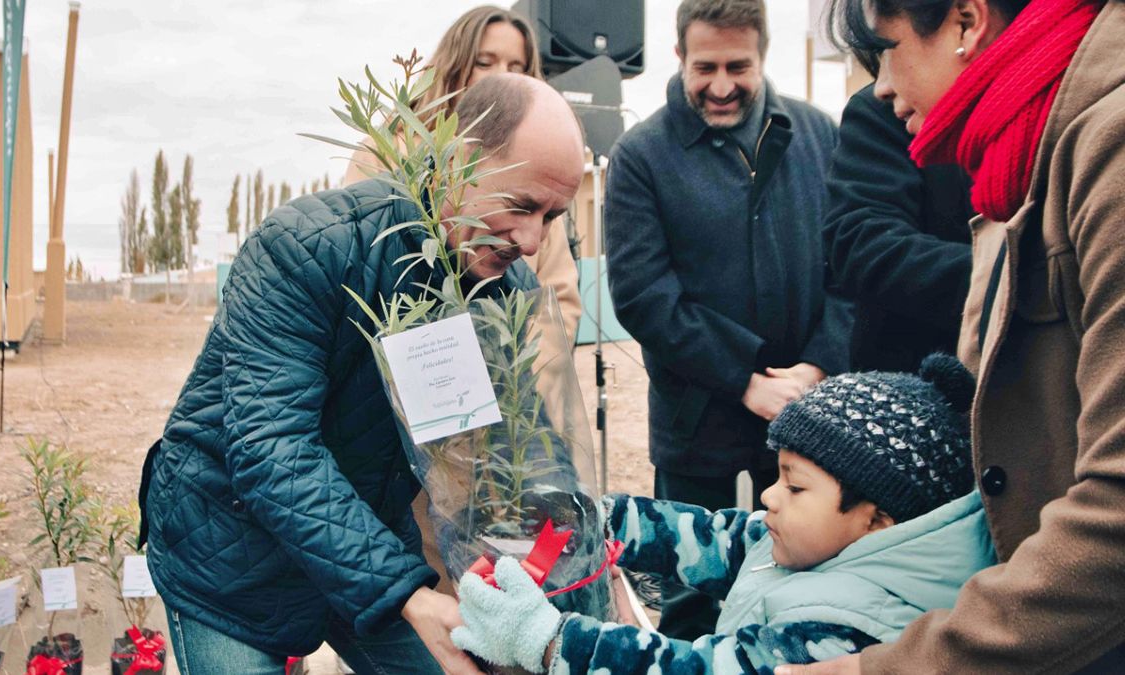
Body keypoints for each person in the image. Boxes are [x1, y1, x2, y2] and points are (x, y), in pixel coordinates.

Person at [138, 73, 586, 675]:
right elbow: (271, 448)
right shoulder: (304, 247)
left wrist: (565, 532)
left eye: (553, 217)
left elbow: (514, 441)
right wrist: (409, 596)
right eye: (521, 206)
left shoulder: (496, 287)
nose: (533, 241)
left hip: (367, 542)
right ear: (458, 161)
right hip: (228, 556)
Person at [781, 0, 1125, 673]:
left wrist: (882, 667)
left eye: (888, 46)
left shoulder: (1108, 149)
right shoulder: (1026, 156)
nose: (879, 84)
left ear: (966, 23)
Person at [449, 355, 996, 673]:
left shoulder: (851, 630)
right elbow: (713, 538)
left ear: (877, 518)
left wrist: (550, 641)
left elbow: (701, 671)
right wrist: (602, 517)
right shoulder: (813, 538)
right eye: (776, 475)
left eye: (795, 485)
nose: (768, 498)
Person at [603, 0, 851, 641]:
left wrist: (817, 366)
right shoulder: (640, 156)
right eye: (704, 66)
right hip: (696, 416)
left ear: (762, 55)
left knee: (808, 587)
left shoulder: (819, 135)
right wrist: (745, 379)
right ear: (680, 57)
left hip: (811, 411)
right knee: (691, 595)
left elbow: (851, 269)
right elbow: (643, 296)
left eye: (737, 66)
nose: (720, 85)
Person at [341, 5, 582, 347]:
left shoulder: (537, 181)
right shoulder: (387, 151)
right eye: (485, 62)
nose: (501, 75)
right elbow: (363, 262)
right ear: (453, 67)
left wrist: (522, 385)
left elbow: (558, 298)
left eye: (517, 67)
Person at [824, 82, 974, 373]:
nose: (883, 86)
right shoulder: (881, 110)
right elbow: (862, 243)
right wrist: (1004, 277)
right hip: (918, 382)